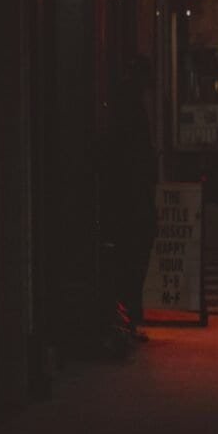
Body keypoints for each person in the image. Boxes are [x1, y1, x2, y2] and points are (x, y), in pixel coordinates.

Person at [97, 55, 157, 355]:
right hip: (130, 200)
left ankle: (128, 319)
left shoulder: (126, 107)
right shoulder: (130, 111)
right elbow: (136, 156)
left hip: (128, 199)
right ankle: (127, 319)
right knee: (131, 261)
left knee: (130, 261)